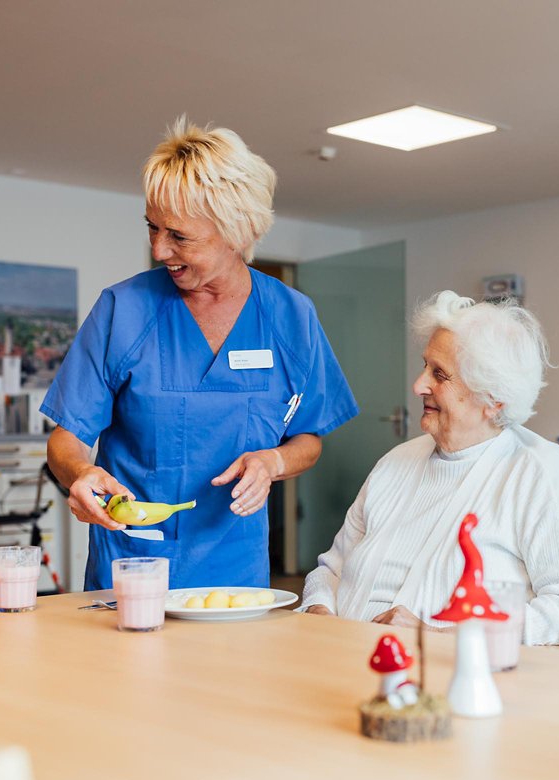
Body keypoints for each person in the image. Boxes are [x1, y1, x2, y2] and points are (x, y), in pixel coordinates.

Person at [42, 118, 357, 591]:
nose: (158, 248)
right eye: (152, 228)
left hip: (237, 569)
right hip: (134, 559)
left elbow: (307, 439)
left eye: (179, 236)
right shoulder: (123, 310)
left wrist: (273, 463)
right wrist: (82, 474)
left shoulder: (290, 316)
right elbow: (65, 440)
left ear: (236, 230)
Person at [300, 291, 559, 646]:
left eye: (439, 374)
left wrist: (438, 637)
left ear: (493, 398)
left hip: (453, 681)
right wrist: (320, 615)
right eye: (424, 367)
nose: (418, 385)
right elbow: (330, 570)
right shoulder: (395, 462)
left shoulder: (538, 470)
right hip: (340, 659)